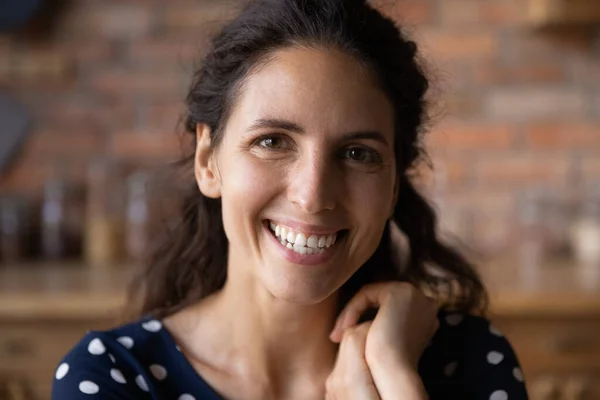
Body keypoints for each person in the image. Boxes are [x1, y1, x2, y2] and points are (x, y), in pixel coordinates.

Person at [52, 0, 529, 398]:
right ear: (207, 160)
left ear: (394, 186)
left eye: (358, 153)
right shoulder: (114, 378)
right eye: (273, 142)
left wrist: (396, 380)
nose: (313, 195)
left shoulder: (469, 365)